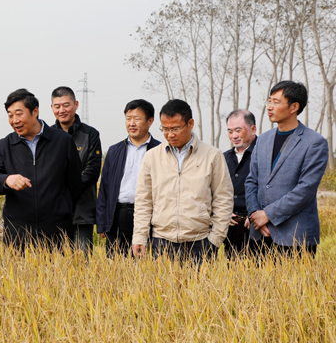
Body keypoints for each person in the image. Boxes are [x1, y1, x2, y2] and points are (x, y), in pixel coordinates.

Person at [132, 99, 233, 263]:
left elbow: (223, 199)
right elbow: (143, 201)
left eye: (175, 129)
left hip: (200, 242)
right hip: (161, 242)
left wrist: (215, 239)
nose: (170, 134)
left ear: (190, 124)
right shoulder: (152, 157)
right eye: (165, 129)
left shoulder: (212, 156)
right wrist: (139, 236)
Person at [0, 88, 82, 251]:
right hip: (18, 233)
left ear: (35, 111)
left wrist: (62, 210)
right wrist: (7, 180)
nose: (14, 120)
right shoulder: (5, 145)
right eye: (10, 115)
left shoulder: (63, 141)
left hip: (57, 232)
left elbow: (75, 184)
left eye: (19, 114)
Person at [245, 81, 329, 257]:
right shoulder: (263, 140)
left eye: (276, 102)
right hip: (259, 234)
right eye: (269, 101)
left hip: (295, 237)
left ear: (294, 107)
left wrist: (267, 215)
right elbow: (252, 180)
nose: (269, 107)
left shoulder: (314, 142)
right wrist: (254, 214)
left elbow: (305, 189)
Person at [96, 99, 160, 257]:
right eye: (128, 118)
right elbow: (104, 188)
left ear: (150, 121)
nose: (132, 123)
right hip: (117, 214)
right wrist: (102, 221)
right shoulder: (114, 151)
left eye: (137, 119)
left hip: (148, 216)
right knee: (115, 263)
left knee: (146, 263)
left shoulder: (160, 150)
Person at [50, 86, 102, 256]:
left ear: (76, 104)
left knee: (82, 263)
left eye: (66, 105)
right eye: (57, 106)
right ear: (51, 108)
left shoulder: (91, 134)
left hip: (82, 212)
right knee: (54, 264)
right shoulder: (47, 136)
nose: (62, 110)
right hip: (54, 212)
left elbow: (92, 171)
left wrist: (66, 187)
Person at [223, 109, 257, 259]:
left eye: (238, 130)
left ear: (253, 129)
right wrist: (222, 213)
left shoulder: (264, 154)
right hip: (230, 229)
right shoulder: (223, 158)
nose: (234, 136)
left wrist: (257, 212)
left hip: (258, 227)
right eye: (230, 131)